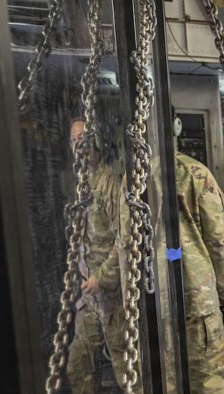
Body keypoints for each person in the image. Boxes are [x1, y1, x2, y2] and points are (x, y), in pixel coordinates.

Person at [66, 118, 138, 393]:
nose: (79, 148)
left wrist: (103, 276)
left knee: (127, 368)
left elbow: (125, 239)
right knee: (79, 365)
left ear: (97, 143)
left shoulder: (111, 183)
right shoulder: (79, 184)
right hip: (89, 293)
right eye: (74, 142)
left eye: (84, 140)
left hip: (113, 291)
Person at [172, 147, 224, 392]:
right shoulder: (194, 173)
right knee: (208, 379)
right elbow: (218, 239)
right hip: (196, 295)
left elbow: (125, 242)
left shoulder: (133, 176)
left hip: (153, 301)